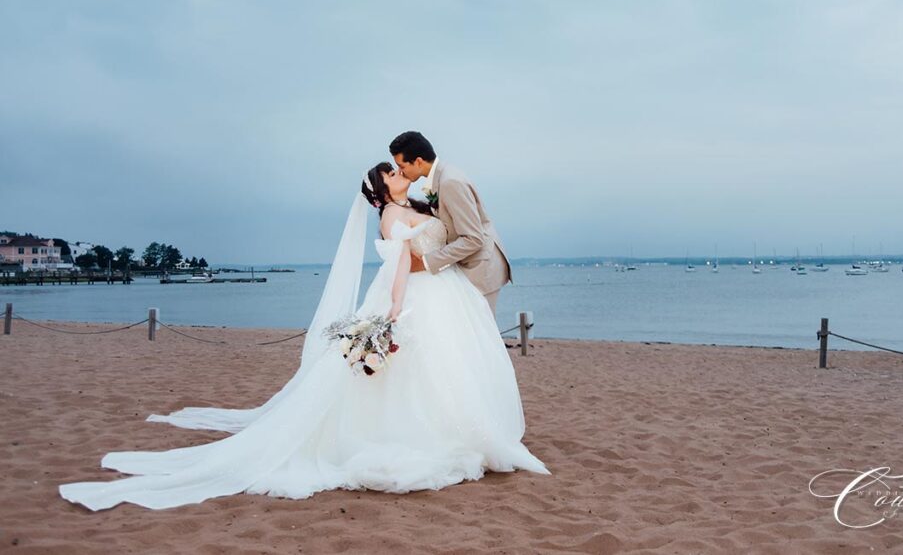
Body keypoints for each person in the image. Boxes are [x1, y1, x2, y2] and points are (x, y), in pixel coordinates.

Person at [58, 163, 549, 511]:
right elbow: (402, 263)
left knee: (446, 367)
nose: (401, 175)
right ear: (381, 190)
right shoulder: (394, 217)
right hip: (414, 293)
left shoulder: (416, 205)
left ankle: (461, 426)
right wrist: (395, 311)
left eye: (400, 170)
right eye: (392, 174)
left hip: (442, 292)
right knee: (418, 370)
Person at [390, 131, 512, 316]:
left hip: (480, 267)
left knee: (481, 339)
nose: (400, 172)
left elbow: (473, 239)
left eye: (402, 165)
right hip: (469, 264)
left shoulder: (450, 182)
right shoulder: (440, 178)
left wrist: (425, 262)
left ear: (419, 161)